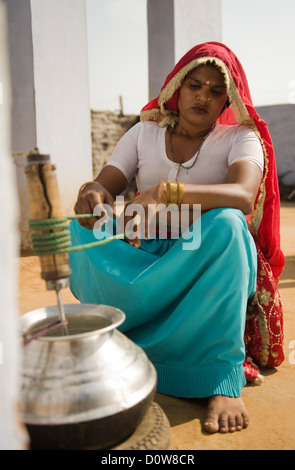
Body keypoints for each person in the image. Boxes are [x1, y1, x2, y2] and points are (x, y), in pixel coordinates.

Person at [69, 42, 285, 434]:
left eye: (215, 90)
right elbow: (103, 185)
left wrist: (169, 191)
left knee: (229, 226)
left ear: (228, 99)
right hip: (142, 250)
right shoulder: (143, 133)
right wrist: (92, 195)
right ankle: (123, 333)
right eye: (194, 84)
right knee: (79, 227)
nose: (203, 95)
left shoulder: (240, 137)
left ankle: (219, 376)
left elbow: (242, 195)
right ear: (175, 90)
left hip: (198, 257)